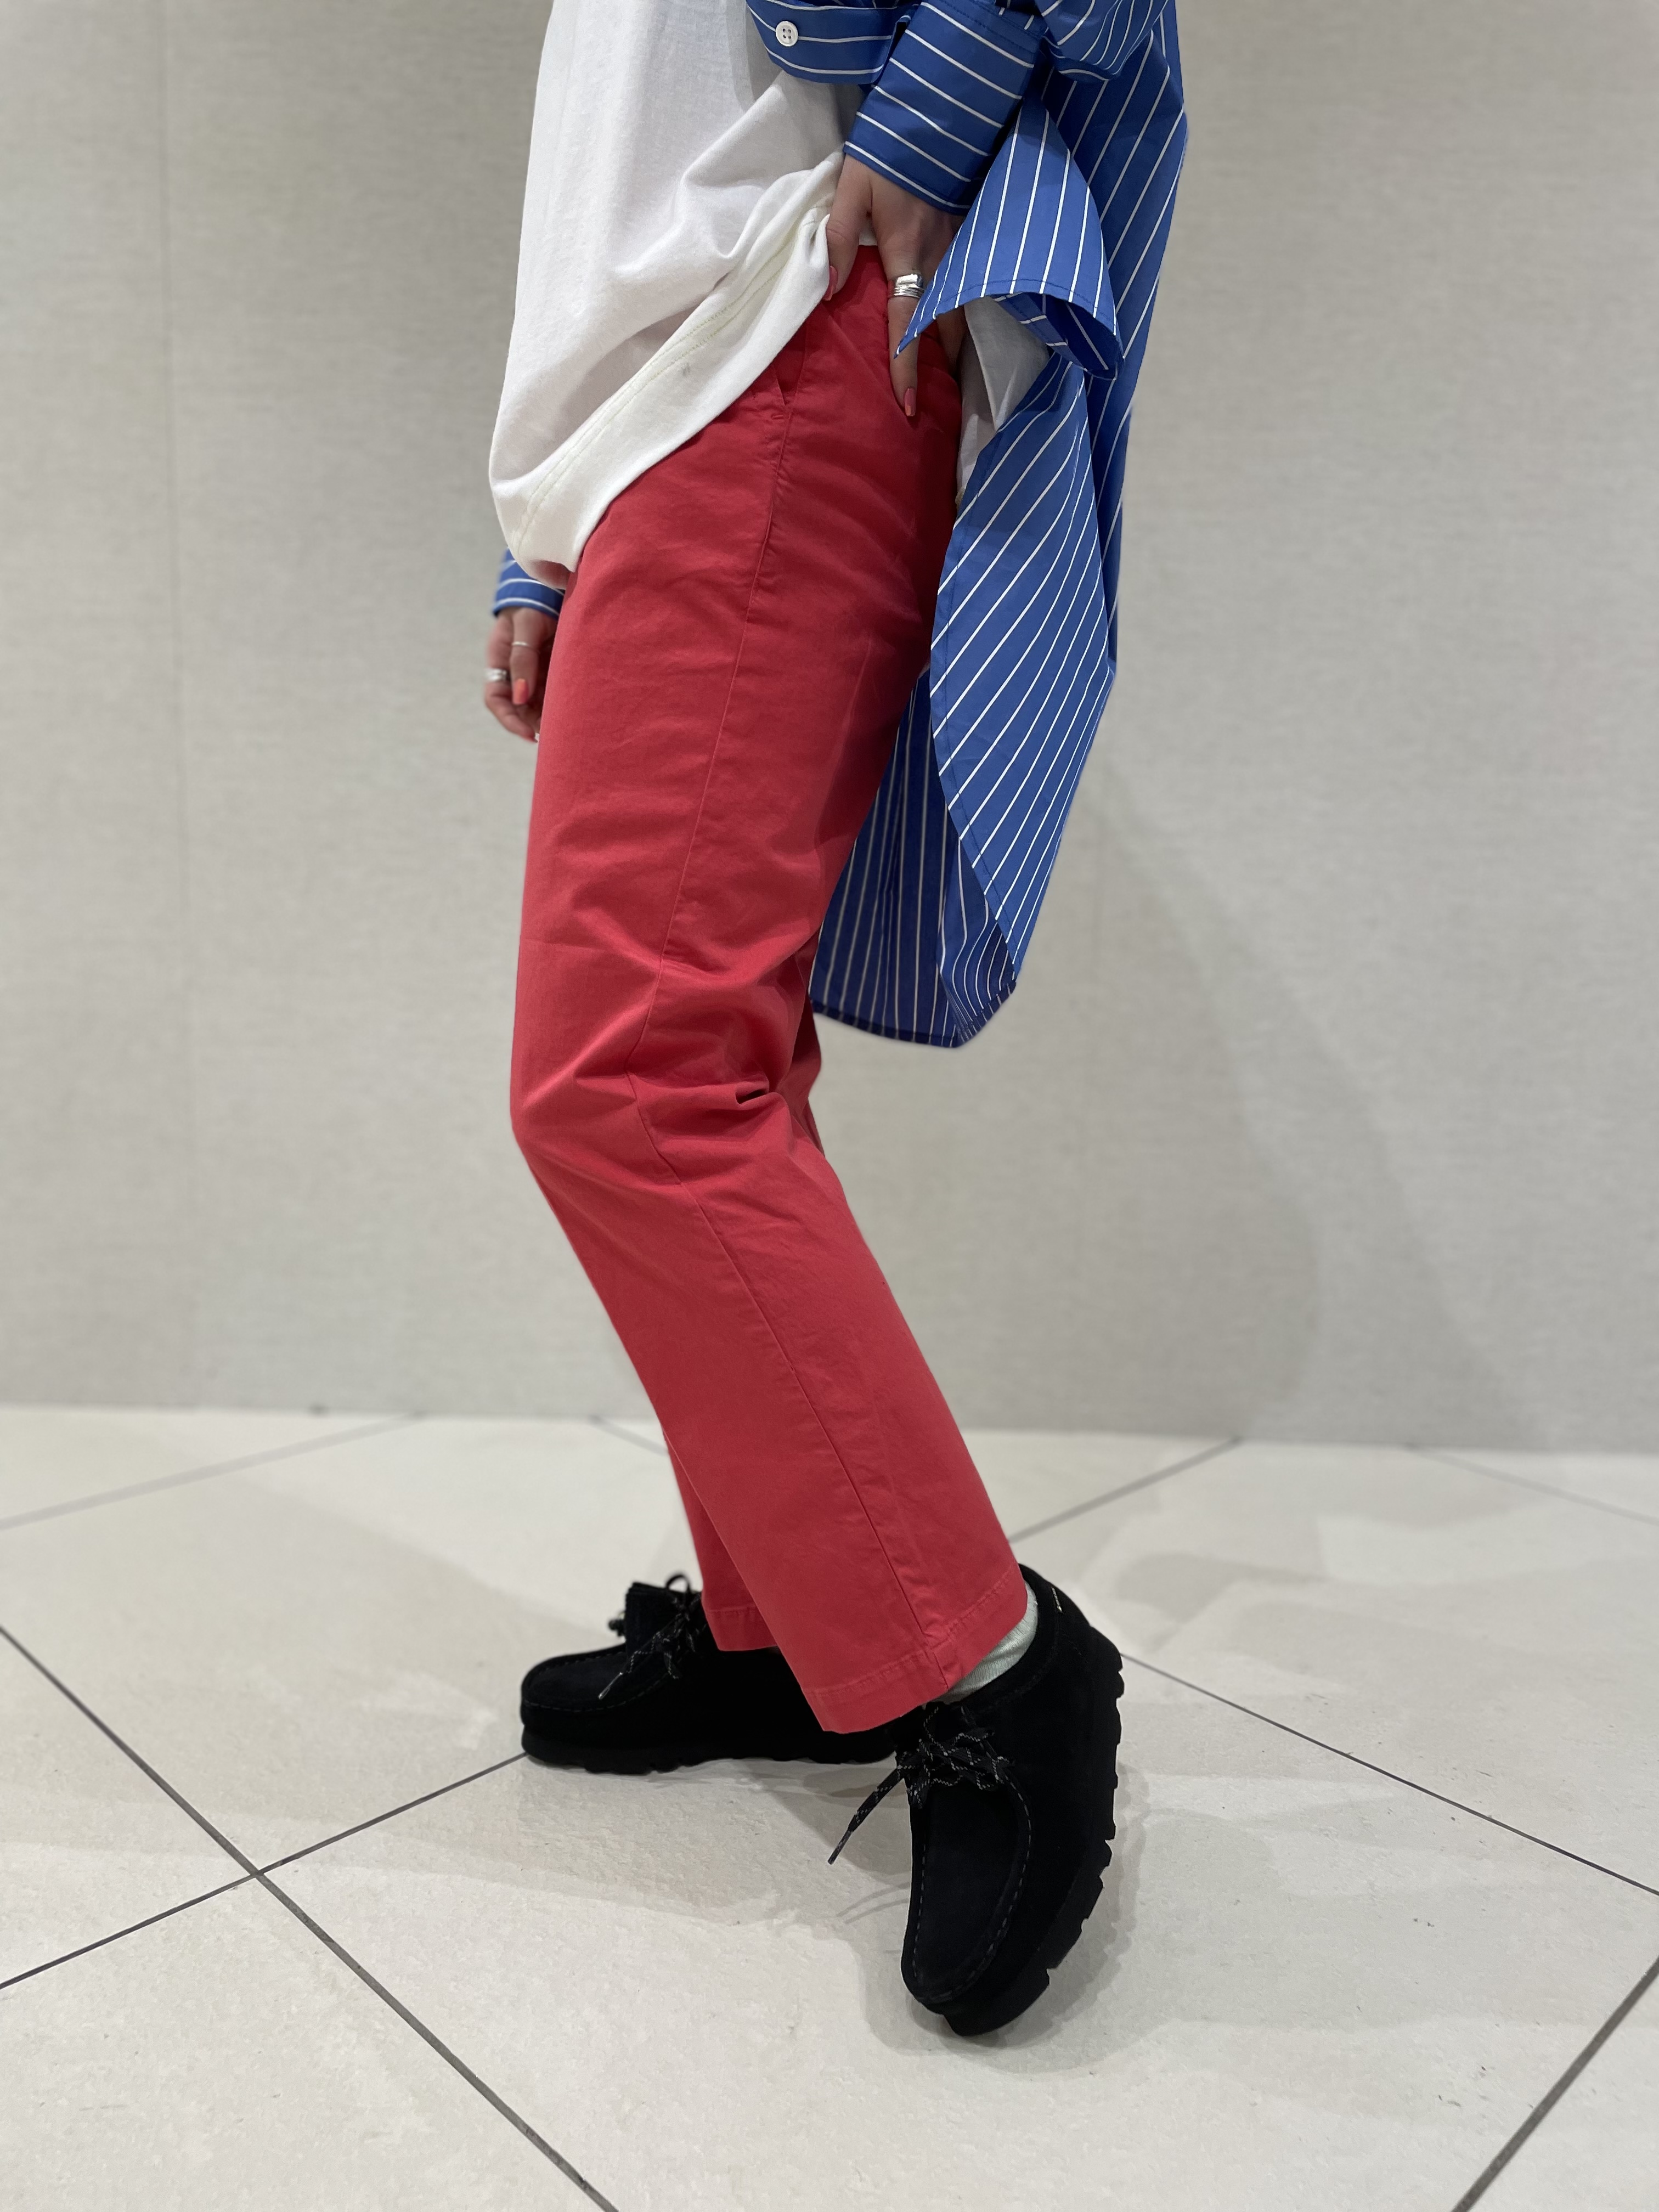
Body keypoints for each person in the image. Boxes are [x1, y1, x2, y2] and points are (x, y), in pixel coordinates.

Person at [480, 0, 1185, 2035]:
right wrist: (541, 535)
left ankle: (989, 1662)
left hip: (780, 339)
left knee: (634, 1083)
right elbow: (621, 145)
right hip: (667, 406)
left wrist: (936, 119)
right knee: (710, 1060)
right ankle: (788, 1628)